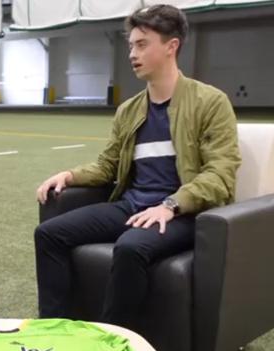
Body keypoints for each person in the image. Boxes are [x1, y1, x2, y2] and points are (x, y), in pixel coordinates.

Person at [34, 5, 241, 327]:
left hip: (184, 213)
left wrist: (171, 205)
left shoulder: (210, 102)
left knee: (130, 247)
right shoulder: (130, 110)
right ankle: (54, 328)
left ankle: (112, 339)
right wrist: (70, 175)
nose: (132, 54)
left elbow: (221, 173)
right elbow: (109, 165)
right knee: (49, 234)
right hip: (132, 205)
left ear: (171, 46)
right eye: (131, 45)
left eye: (142, 44)